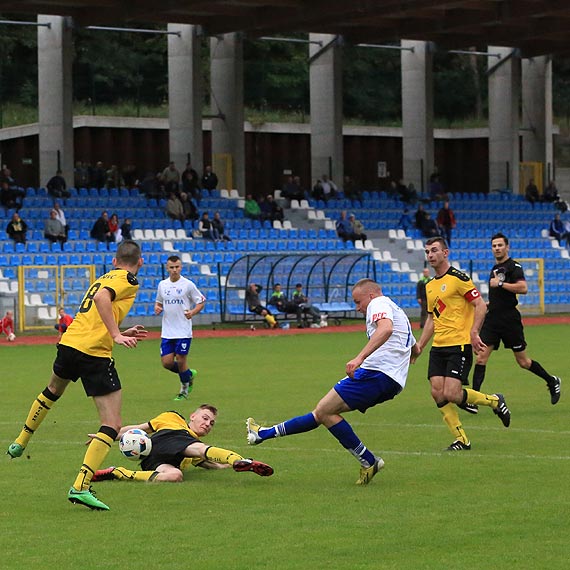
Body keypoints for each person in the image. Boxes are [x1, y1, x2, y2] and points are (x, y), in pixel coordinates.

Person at [7, 240, 147, 512]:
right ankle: (81, 486)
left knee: (51, 391)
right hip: (93, 352)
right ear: (140, 262)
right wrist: (116, 335)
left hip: (70, 343)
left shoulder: (104, 276)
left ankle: (21, 440)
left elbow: (98, 307)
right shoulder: (128, 279)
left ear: (114, 259)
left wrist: (118, 329)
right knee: (111, 423)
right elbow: (101, 299)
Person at [246, 278, 417, 485]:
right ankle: (262, 433)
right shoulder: (396, 309)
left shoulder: (377, 303)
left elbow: (386, 329)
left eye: (358, 301)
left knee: (323, 411)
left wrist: (360, 358)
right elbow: (414, 347)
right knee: (324, 412)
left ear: (370, 295)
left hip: (375, 373)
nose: (357, 308)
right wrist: (411, 355)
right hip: (392, 381)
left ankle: (369, 460)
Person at [412, 237, 511, 451]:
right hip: (439, 346)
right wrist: (420, 345)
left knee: (452, 394)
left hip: (459, 344)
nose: (430, 255)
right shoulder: (430, 286)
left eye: (434, 250)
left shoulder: (458, 278)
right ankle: (462, 439)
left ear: (445, 253)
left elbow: (480, 306)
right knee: (437, 392)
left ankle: (495, 401)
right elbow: (431, 318)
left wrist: (474, 332)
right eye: (427, 251)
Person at [470, 233, 561, 409]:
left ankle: (552, 381)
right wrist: (487, 304)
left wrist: (501, 284)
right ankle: (474, 399)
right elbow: (499, 294)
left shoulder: (514, 266)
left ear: (507, 247)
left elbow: (523, 288)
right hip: (493, 319)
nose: (497, 248)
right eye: (494, 246)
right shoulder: (495, 268)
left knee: (523, 362)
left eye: (500, 245)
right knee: (481, 358)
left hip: (509, 320)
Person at [91, 404, 273, 484]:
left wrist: (225, 466)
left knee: (175, 476)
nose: (207, 424)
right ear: (192, 416)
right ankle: (238, 460)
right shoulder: (173, 417)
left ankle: (118, 473)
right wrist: (106, 435)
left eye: (211, 423)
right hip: (167, 438)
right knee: (200, 449)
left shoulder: (193, 448)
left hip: (157, 461)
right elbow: (139, 429)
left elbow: (212, 464)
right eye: (205, 418)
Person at [155, 255, 205, 400]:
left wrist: (192, 312)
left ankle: (184, 391)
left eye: (177, 267)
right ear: (167, 268)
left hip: (183, 330)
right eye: (172, 267)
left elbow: (201, 301)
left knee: (181, 359)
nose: (174, 270)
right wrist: (158, 308)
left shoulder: (188, 284)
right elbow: (158, 302)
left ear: (181, 267)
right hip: (167, 331)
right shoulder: (162, 285)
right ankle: (188, 374)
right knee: (167, 363)